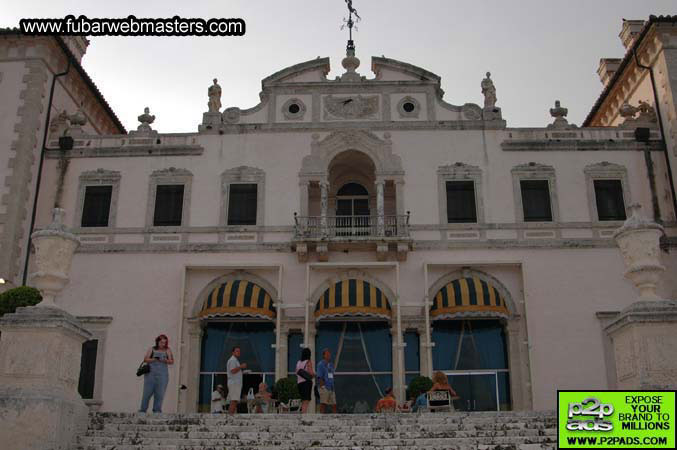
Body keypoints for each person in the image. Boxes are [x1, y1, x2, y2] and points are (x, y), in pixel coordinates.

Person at [139, 334, 174, 413]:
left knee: (160, 394)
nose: (163, 344)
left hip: (163, 375)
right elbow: (145, 359)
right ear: (157, 342)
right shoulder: (151, 349)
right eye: (161, 342)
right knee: (147, 393)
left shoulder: (168, 350)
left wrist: (165, 360)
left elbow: (171, 361)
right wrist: (154, 359)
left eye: (164, 343)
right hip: (150, 375)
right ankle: (142, 410)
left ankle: (157, 410)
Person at [226, 346, 247, 414]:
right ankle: (230, 417)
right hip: (234, 383)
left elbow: (235, 371)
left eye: (239, 351)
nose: (239, 352)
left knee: (234, 400)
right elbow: (232, 371)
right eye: (237, 351)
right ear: (233, 352)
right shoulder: (232, 360)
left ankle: (231, 415)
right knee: (234, 400)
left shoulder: (235, 360)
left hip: (235, 383)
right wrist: (241, 366)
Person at [316, 348, 337, 413]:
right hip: (324, 387)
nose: (328, 355)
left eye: (329, 354)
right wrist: (323, 386)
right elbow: (319, 377)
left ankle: (335, 419)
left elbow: (331, 375)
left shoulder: (331, 365)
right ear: (323, 355)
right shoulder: (320, 364)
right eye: (327, 354)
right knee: (323, 404)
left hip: (331, 388)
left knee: (334, 404)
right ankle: (321, 419)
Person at [295, 348, 315, 413]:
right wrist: (314, 375)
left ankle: (303, 413)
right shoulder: (308, 362)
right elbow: (311, 373)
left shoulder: (298, 362)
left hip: (299, 383)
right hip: (306, 383)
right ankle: (304, 415)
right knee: (306, 401)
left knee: (303, 400)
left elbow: (296, 372)